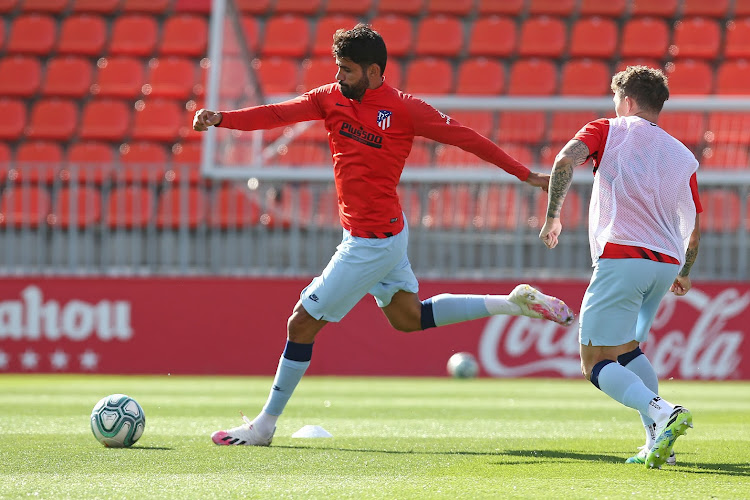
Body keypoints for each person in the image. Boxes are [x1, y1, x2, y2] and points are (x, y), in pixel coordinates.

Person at [195, 24, 574, 447]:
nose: (340, 77)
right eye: (338, 68)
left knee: (300, 325)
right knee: (407, 318)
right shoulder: (330, 98)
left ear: (375, 71)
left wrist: (527, 175)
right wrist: (222, 120)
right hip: (382, 233)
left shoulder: (406, 109)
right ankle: (513, 303)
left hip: (371, 242)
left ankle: (264, 425)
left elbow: (469, 140)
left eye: (349, 70)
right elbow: (278, 113)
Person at [539, 66, 702, 469]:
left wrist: (552, 217)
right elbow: (695, 231)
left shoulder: (609, 128)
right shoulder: (683, 156)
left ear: (626, 100)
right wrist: (684, 272)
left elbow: (563, 162)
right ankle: (656, 441)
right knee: (627, 350)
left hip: (623, 257)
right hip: (665, 264)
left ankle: (665, 413)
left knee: (594, 362)